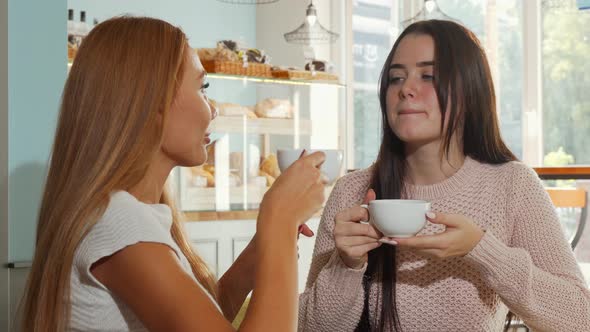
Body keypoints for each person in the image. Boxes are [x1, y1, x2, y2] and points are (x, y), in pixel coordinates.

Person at [21, 16, 327, 332]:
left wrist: (257, 256)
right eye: (202, 87)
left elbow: (194, 319)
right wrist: (279, 220)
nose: (213, 109)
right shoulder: (119, 223)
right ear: (153, 103)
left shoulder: (121, 215)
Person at [298, 19, 590, 331]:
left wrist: (481, 249)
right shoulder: (352, 192)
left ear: (469, 91)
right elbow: (310, 327)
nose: (406, 89)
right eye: (396, 78)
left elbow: (580, 319)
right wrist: (346, 265)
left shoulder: (512, 185)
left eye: (429, 76)